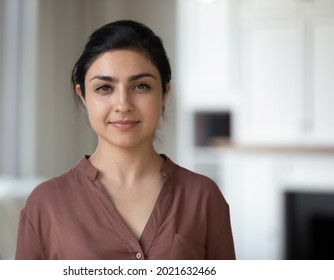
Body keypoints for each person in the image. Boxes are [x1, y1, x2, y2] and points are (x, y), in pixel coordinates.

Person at [15, 20, 235, 260]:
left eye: (141, 86)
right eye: (104, 88)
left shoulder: (203, 197)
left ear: (164, 93)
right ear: (83, 96)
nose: (123, 104)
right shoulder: (45, 204)